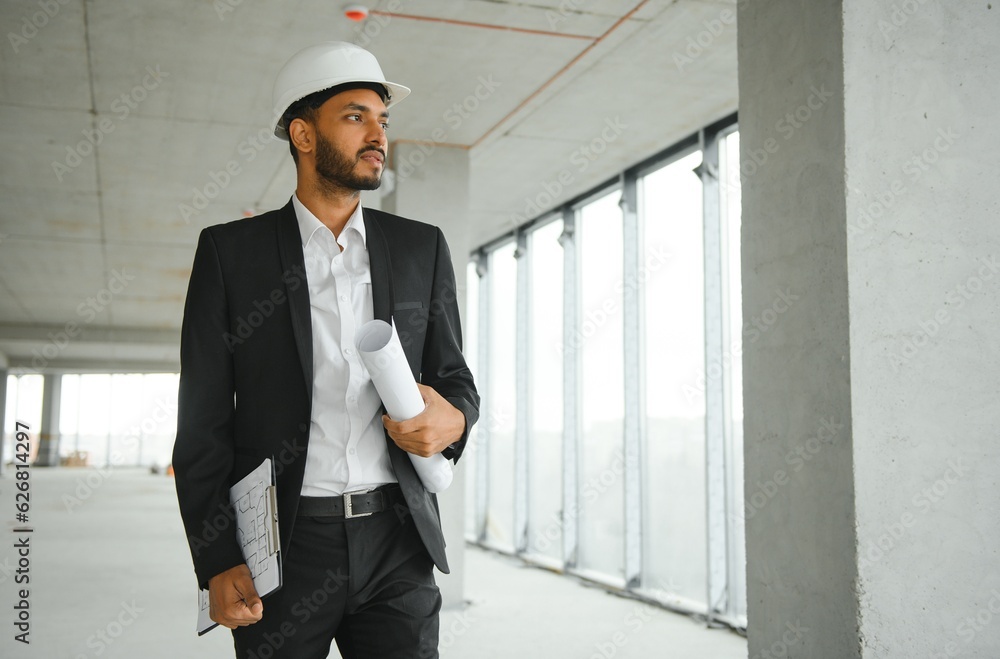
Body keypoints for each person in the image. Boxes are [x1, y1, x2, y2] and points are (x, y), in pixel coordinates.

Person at [172, 42, 479, 659]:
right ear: (303, 134)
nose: (377, 134)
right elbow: (203, 421)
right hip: (285, 545)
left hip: (398, 539)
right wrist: (217, 557)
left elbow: (454, 376)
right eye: (355, 116)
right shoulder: (233, 255)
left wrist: (459, 417)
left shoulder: (422, 249)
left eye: (383, 120)